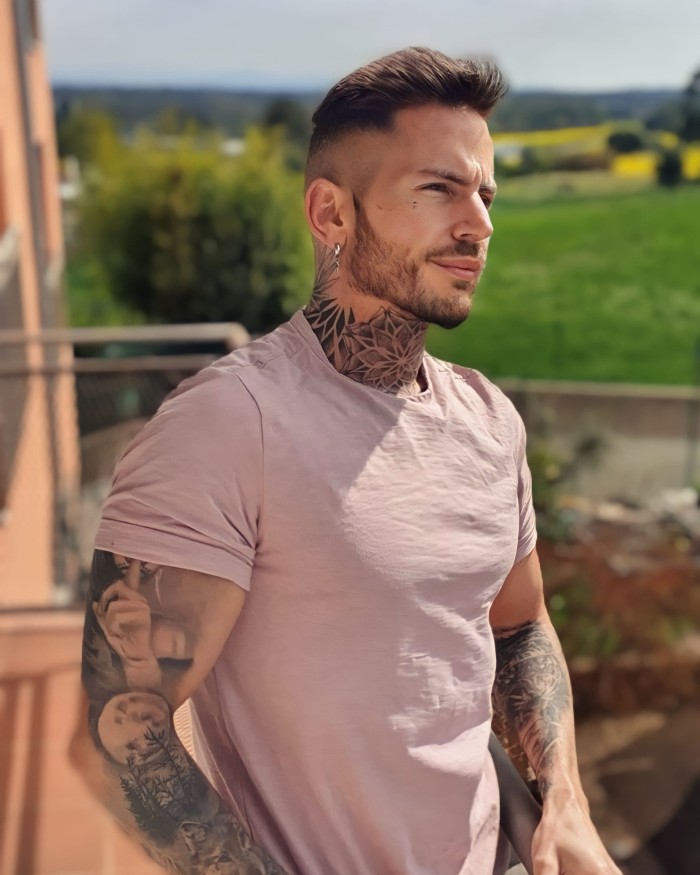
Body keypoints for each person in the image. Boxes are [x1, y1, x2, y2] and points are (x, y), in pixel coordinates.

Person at [74, 47, 622, 875]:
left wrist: (566, 804)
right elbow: (118, 728)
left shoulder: (490, 423)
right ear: (331, 213)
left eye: (485, 194)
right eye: (438, 189)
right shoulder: (230, 424)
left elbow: (518, 626)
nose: (479, 224)